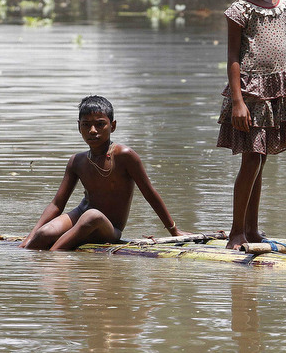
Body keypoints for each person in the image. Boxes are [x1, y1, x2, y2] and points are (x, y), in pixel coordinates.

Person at [217, 0, 286, 250]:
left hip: (279, 92)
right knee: (251, 159)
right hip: (251, 93)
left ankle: (252, 230)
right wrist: (238, 101)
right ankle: (236, 232)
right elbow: (233, 57)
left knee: (261, 159)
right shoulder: (240, 9)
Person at [20, 96, 187, 250]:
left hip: (108, 227)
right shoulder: (77, 161)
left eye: (100, 124)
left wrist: (174, 231)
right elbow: (57, 204)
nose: (92, 130)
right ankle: (41, 255)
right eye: (86, 125)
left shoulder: (125, 155)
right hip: (80, 215)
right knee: (45, 233)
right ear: (79, 127)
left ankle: (54, 255)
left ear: (112, 126)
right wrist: (29, 238)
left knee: (92, 216)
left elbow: (149, 193)